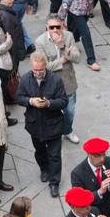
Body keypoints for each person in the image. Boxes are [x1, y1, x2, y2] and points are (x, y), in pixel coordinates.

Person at [18, 52, 68, 197]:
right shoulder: (26, 79)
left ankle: (54, 183)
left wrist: (48, 103)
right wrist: (30, 101)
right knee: (39, 151)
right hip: (35, 125)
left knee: (55, 156)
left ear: (45, 66)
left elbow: (63, 101)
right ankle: (44, 169)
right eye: (35, 70)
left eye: (41, 70)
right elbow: (19, 97)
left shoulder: (56, 80)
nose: (38, 73)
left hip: (53, 125)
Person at [35, 16, 82, 146]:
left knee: (70, 111)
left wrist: (62, 46)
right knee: (52, 111)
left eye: (58, 27)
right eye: (52, 27)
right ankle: (54, 132)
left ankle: (67, 131)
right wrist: (62, 60)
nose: (55, 30)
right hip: (50, 83)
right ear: (47, 27)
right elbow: (44, 66)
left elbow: (77, 58)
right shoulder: (40, 41)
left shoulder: (68, 36)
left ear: (62, 26)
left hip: (68, 81)